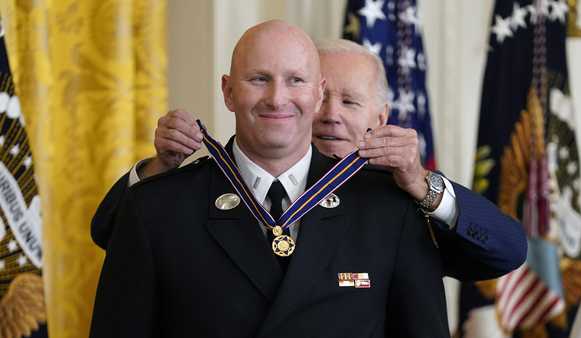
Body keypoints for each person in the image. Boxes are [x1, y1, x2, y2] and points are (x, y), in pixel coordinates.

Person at [90, 20, 451, 337]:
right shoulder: (155, 208)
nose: (277, 99)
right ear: (229, 92)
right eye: (259, 79)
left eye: (295, 80)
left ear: (317, 93)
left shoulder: (388, 209)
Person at [92, 39, 527, 281]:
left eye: (350, 102)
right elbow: (115, 235)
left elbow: (504, 253)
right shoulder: (214, 176)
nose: (330, 115)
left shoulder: (393, 200)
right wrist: (159, 168)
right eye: (321, 96)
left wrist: (424, 187)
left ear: (381, 118)